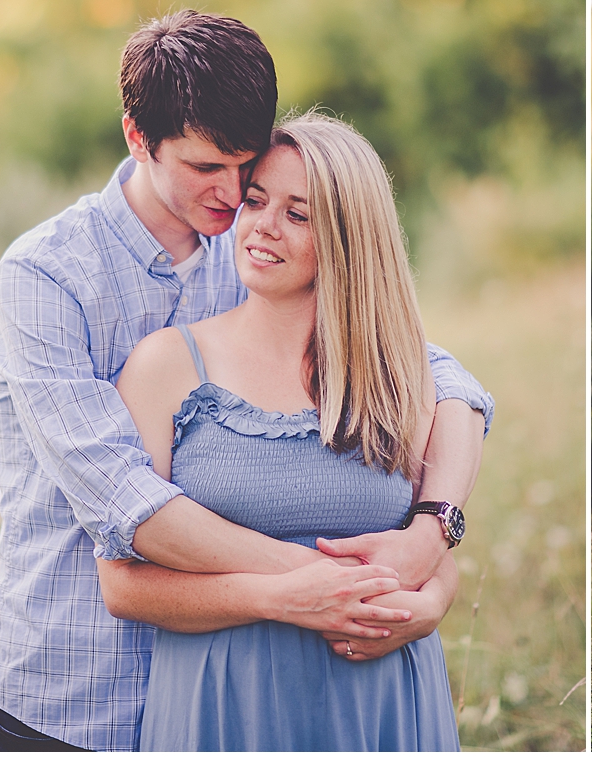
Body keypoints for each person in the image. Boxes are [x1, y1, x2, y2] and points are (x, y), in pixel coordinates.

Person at [0, 13, 491, 754]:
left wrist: (428, 536)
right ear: (136, 136)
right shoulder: (47, 277)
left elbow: (446, 380)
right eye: (205, 167)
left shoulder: (251, 247)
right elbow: (131, 506)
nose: (231, 193)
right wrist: (339, 584)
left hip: (230, 688)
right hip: (75, 691)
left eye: (245, 168)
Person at [99, 113, 466, 751]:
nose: (263, 226)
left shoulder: (400, 375)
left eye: (298, 214)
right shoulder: (168, 365)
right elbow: (123, 586)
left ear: (350, 237)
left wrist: (433, 600)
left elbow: (430, 550)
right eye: (257, 201)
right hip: (223, 706)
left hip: (377, 705)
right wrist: (281, 598)